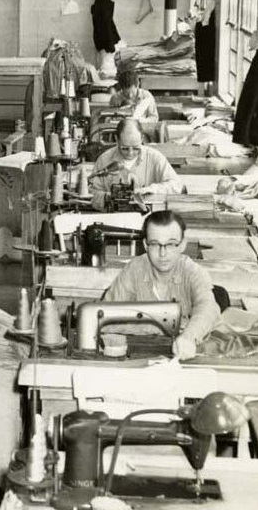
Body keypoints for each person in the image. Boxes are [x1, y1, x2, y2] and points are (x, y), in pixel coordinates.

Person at [104, 210, 221, 360]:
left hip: (184, 358)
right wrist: (162, 327)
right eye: (155, 244)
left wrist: (189, 336)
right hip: (141, 358)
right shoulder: (134, 269)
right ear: (145, 245)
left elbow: (209, 309)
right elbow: (105, 316)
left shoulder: (193, 272)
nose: (163, 253)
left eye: (171, 244)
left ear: (183, 245)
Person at [89, 118, 183, 211]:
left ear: (142, 138)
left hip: (147, 219)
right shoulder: (104, 159)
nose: (130, 153)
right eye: (125, 148)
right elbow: (91, 193)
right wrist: (108, 197)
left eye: (136, 148)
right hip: (113, 218)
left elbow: (176, 186)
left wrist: (152, 189)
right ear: (117, 139)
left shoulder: (155, 157)